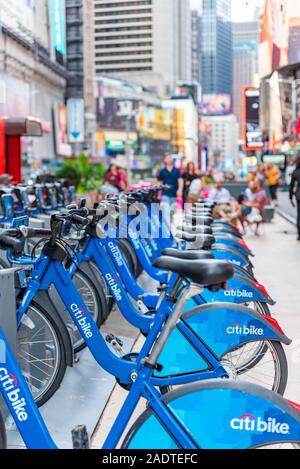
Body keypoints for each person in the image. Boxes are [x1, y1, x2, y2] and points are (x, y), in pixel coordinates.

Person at [289, 158, 300, 241]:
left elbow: (291, 186)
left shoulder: (295, 172)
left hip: (298, 195)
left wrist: (290, 197)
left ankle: (299, 234)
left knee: (299, 215)